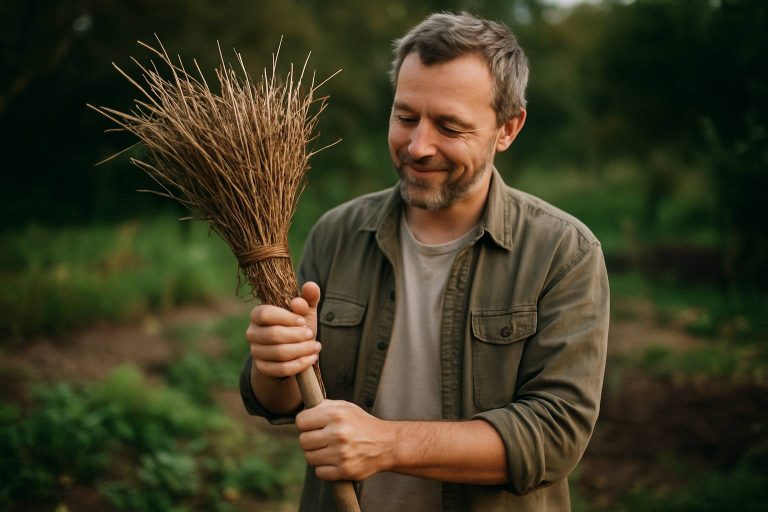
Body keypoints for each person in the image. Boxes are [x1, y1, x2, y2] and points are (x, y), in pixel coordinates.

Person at [240, 11, 609, 512]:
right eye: (406, 116)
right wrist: (275, 366)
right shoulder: (337, 233)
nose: (418, 146)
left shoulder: (562, 253)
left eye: (449, 126)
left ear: (508, 128)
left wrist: (388, 444)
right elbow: (280, 403)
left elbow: (554, 436)